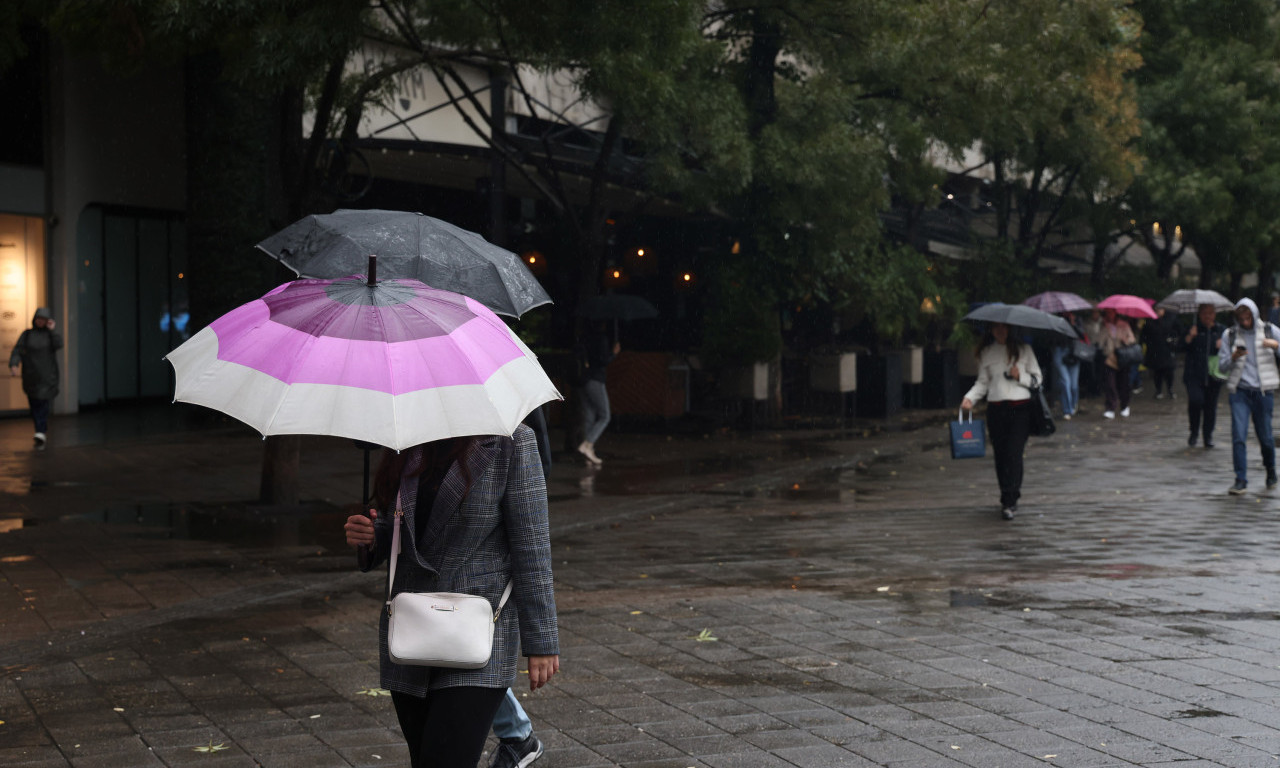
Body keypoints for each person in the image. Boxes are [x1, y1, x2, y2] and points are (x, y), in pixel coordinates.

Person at [343, 425, 559, 768]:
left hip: (479, 630)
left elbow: (531, 546)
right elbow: (401, 527)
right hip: (412, 632)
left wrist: (542, 642)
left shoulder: (510, 441)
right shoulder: (410, 435)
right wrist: (374, 535)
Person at [960, 322, 1043, 521]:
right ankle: (1005, 494)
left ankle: (1011, 499)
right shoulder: (987, 352)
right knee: (1001, 454)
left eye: (1004, 327)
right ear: (991, 330)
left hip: (1020, 408)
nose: (1000, 331)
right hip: (996, 409)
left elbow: (1037, 379)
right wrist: (970, 398)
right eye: (996, 328)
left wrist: (1020, 375)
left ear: (1010, 329)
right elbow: (982, 382)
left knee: (1014, 453)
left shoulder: (1024, 350)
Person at [1219, 298, 1280, 495]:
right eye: (1241, 318)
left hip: (1263, 393)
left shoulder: (1270, 331)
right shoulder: (1230, 335)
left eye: (1248, 318)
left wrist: (1276, 346)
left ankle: (1270, 470)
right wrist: (1233, 357)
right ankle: (1240, 479)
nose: (1245, 322)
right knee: (1238, 435)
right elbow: (1221, 366)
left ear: (1254, 315)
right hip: (1240, 392)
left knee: (1266, 438)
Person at [9, 307, 62, 448]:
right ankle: (40, 428)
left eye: (44, 320)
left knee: (44, 403)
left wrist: (52, 331)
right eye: (39, 319)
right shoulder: (27, 335)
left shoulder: (50, 336)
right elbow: (17, 350)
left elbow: (59, 344)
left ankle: (40, 430)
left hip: (47, 375)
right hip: (31, 375)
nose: (40, 322)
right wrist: (14, 364)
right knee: (35, 404)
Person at [1181, 303, 1225, 448]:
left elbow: (1230, 351)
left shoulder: (1220, 330)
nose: (1208, 316)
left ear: (1215, 314)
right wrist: (1189, 337)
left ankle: (1208, 436)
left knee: (1210, 407)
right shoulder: (1193, 328)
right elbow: (1180, 347)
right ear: (1199, 314)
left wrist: (1222, 346)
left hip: (1213, 375)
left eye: (1210, 313)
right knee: (1196, 401)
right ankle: (1193, 432)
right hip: (1193, 374)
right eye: (1205, 313)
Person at [577, 325, 618, 467]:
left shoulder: (583, 338)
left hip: (583, 380)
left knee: (589, 416)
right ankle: (587, 444)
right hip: (596, 380)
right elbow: (603, 360)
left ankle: (589, 452)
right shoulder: (601, 339)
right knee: (605, 415)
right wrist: (614, 353)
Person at [1096, 308, 1136, 419]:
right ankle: (1110, 407)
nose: (1109, 315)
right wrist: (1104, 330)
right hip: (1109, 358)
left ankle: (1125, 406)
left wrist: (1125, 340)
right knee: (1110, 384)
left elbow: (1132, 339)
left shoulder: (1124, 324)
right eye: (1107, 312)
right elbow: (1099, 342)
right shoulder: (1104, 326)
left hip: (1123, 357)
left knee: (1124, 384)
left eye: (1111, 312)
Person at [1050, 312, 1084, 420]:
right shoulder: (1056, 320)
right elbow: (1052, 338)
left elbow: (1081, 335)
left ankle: (1073, 405)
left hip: (1073, 353)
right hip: (1060, 352)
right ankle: (1067, 409)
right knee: (1065, 382)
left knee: (1073, 385)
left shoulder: (1077, 320)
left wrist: (1073, 324)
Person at [1143, 306, 1179, 399]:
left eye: (1160, 309)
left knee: (1169, 372)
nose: (1158, 311)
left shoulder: (1170, 320)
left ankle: (1170, 389)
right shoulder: (1150, 322)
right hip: (1156, 351)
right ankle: (1158, 390)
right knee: (1158, 372)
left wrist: (1172, 341)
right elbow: (1145, 336)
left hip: (1167, 350)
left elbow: (1177, 331)